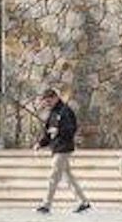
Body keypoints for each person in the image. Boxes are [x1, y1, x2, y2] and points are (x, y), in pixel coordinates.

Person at [35, 85, 90, 214]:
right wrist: (40, 143)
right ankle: (83, 202)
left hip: (63, 148)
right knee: (68, 176)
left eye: (49, 101)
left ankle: (46, 205)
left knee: (53, 175)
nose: (47, 104)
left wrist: (59, 130)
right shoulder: (52, 113)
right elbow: (48, 133)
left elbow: (72, 129)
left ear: (55, 98)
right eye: (45, 101)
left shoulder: (65, 111)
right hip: (56, 147)